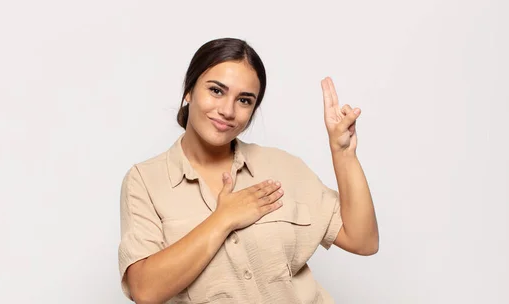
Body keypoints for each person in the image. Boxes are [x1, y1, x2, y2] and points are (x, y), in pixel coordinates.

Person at [117, 37, 379, 304]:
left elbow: (363, 241)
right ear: (189, 90)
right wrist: (223, 219)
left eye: (244, 100)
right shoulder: (145, 181)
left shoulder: (283, 167)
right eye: (216, 91)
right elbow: (145, 290)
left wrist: (343, 153)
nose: (227, 110)